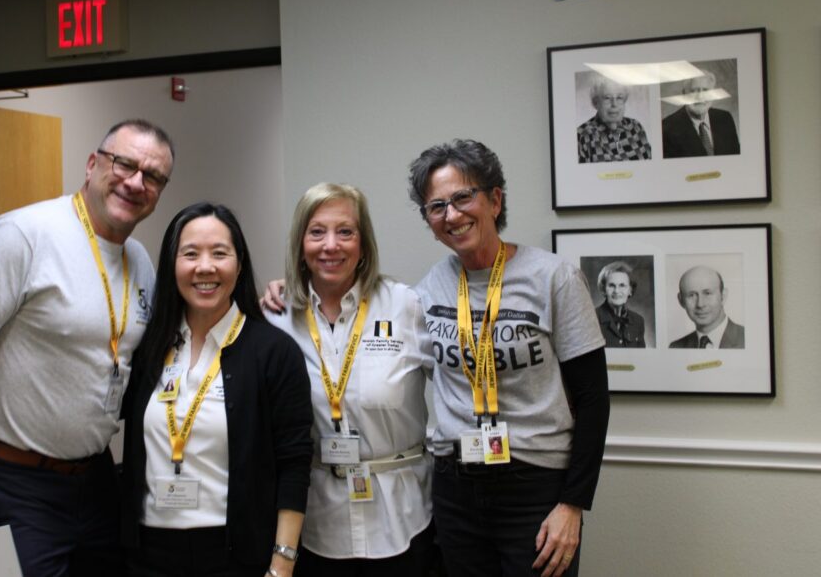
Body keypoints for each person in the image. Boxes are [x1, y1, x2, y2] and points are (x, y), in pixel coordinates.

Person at [0, 119, 175, 575]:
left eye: (153, 176)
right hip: (7, 483)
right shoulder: (23, 235)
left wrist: (262, 305)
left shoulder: (138, 260)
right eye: (125, 164)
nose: (136, 182)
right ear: (93, 164)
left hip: (95, 482)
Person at [409, 139, 610, 577]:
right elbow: (368, 319)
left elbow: (593, 398)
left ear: (495, 200)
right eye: (437, 206)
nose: (452, 215)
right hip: (455, 488)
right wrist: (286, 295)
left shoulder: (554, 278)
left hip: (535, 487)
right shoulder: (427, 288)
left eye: (463, 197)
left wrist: (573, 504)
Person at [120, 202, 313, 577]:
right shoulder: (150, 348)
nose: (205, 267)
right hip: (148, 553)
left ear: (239, 265)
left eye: (220, 253)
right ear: (172, 265)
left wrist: (282, 563)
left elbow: (294, 463)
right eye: (190, 254)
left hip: (234, 555)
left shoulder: (273, 352)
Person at [266, 183, 434, 576]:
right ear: (300, 243)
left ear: (364, 243)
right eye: (316, 232)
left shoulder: (405, 305)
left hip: (403, 518)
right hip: (316, 523)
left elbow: (456, 384)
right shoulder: (275, 318)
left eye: (345, 231)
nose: (331, 245)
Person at [662, 71, 741, 158]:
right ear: (684, 94)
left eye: (705, 90)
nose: (700, 97)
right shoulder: (667, 128)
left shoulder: (725, 118)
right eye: (694, 91)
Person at [576, 75, 652, 163]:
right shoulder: (582, 135)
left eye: (619, 97)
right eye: (607, 98)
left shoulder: (635, 126)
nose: (614, 104)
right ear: (596, 103)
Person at [669, 265, 745, 349]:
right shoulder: (675, 347)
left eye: (707, 293)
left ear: (723, 296)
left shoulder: (748, 339)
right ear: (681, 301)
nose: (700, 304)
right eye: (692, 295)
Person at [594, 261, 646, 348]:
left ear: (630, 290)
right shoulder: (592, 319)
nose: (617, 291)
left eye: (622, 285)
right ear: (604, 289)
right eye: (611, 285)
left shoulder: (638, 321)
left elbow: (642, 355)